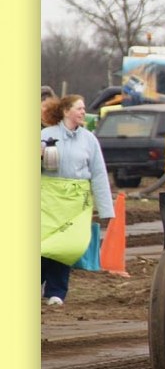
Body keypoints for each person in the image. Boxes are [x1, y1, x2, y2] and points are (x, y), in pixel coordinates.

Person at [41, 95, 115, 305]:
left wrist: (106, 209)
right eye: (79, 108)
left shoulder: (89, 139)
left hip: (76, 201)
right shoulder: (45, 135)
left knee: (68, 247)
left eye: (83, 108)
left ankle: (56, 292)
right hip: (49, 199)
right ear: (66, 111)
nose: (83, 112)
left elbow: (98, 174)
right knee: (45, 245)